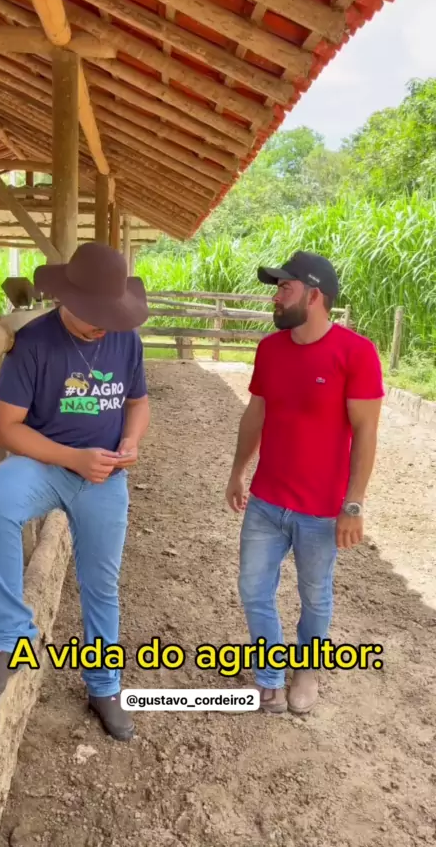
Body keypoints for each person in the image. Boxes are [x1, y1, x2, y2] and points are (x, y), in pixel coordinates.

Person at [0, 242, 150, 742]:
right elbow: (5, 428)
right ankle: (9, 638)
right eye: (96, 314)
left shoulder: (125, 339)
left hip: (103, 473)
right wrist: (72, 457)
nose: (104, 325)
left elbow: (137, 403)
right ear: (67, 298)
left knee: (101, 583)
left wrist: (131, 441)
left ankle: (104, 685)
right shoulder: (35, 343)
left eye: (111, 314)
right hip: (46, 463)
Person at [226, 251, 384, 716]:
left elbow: (366, 432)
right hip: (266, 501)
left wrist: (353, 504)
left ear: (314, 296)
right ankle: (269, 676)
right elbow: (256, 413)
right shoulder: (270, 350)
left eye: (284, 288)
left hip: (321, 510)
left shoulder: (356, 353)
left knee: (315, 595)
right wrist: (238, 471)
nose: (275, 298)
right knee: (253, 589)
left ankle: (307, 668)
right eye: (277, 289)